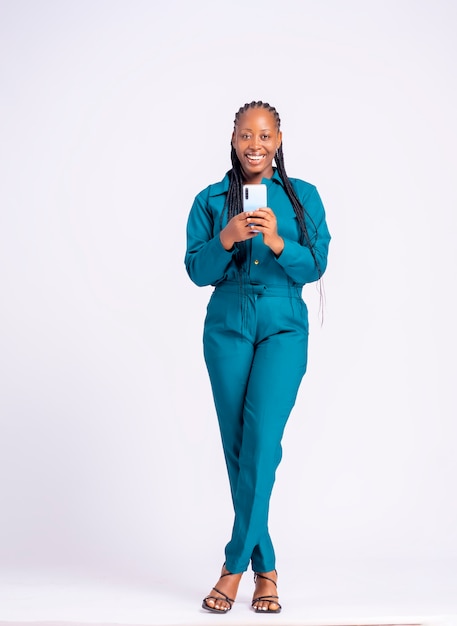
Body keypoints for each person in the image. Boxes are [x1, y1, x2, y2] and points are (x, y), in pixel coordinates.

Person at [184, 101, 331, 614]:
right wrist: (226, 238)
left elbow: (315, 264)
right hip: (227, 322)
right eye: (247, 135)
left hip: (283, 322)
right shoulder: (210, 199)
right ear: (233, 137)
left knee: (262, 443)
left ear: (279, 140)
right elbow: (197, 271)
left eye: (265, 136)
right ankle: (265, 570)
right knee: (238, 448)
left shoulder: (302, 197)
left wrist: (274, 239)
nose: (255, 145)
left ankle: (232, 567)